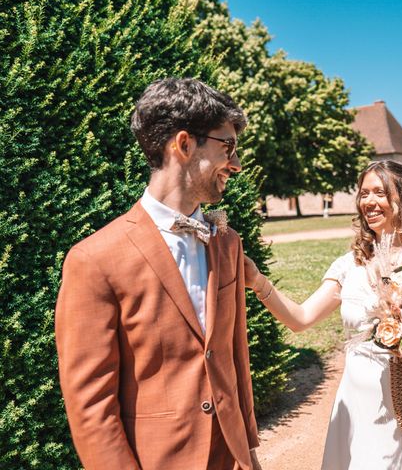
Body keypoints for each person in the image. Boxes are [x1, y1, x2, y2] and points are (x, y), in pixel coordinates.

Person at [55, 78, 261, 470]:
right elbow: (91, 407)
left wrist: (249, 450)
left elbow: (235, 356)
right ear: (183, 145)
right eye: (228, 147)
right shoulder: (93, 259)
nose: (235, 164)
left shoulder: (228, 243)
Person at [245, 160, 402, 469]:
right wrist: (258, 282)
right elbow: (301, 319)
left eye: (380, 192)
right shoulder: (349, 265)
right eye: (364, 193)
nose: (369, 201)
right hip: (358, 407)